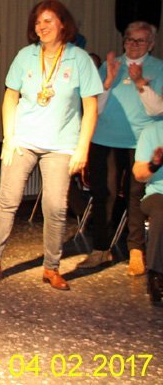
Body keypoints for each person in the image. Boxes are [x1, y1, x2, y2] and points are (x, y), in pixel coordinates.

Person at [0, 0, 102, 291]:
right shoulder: (25, 56)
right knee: (7, 201)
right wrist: (9, 138)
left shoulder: (79, 59)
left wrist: (82, 148)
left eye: (48, 21)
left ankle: (51, 268)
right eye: (38, 22)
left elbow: (90, 107)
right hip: (23, 140)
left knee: (55, 207)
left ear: (63, 25)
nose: (41, 26)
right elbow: (10, 97)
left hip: (61, 144)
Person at [78, 21, 163, 273]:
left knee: (135, 196)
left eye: (140, 40)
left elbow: (157, 110)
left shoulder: (158, 67)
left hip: (140, 141)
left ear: (151, 44)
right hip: (104, 139)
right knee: (103, 194)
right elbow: (95, 108)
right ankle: (100, 249)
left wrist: (139, 82)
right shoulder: (109, 65)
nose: (133, 45)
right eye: (129, 39)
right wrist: (107, 83)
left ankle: (136, 250)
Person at [131, 124, 163, 307]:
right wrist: (154, 164)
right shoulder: (152, 132)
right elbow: (139, 175)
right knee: (160, 212)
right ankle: (156, 274)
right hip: (158, 194)